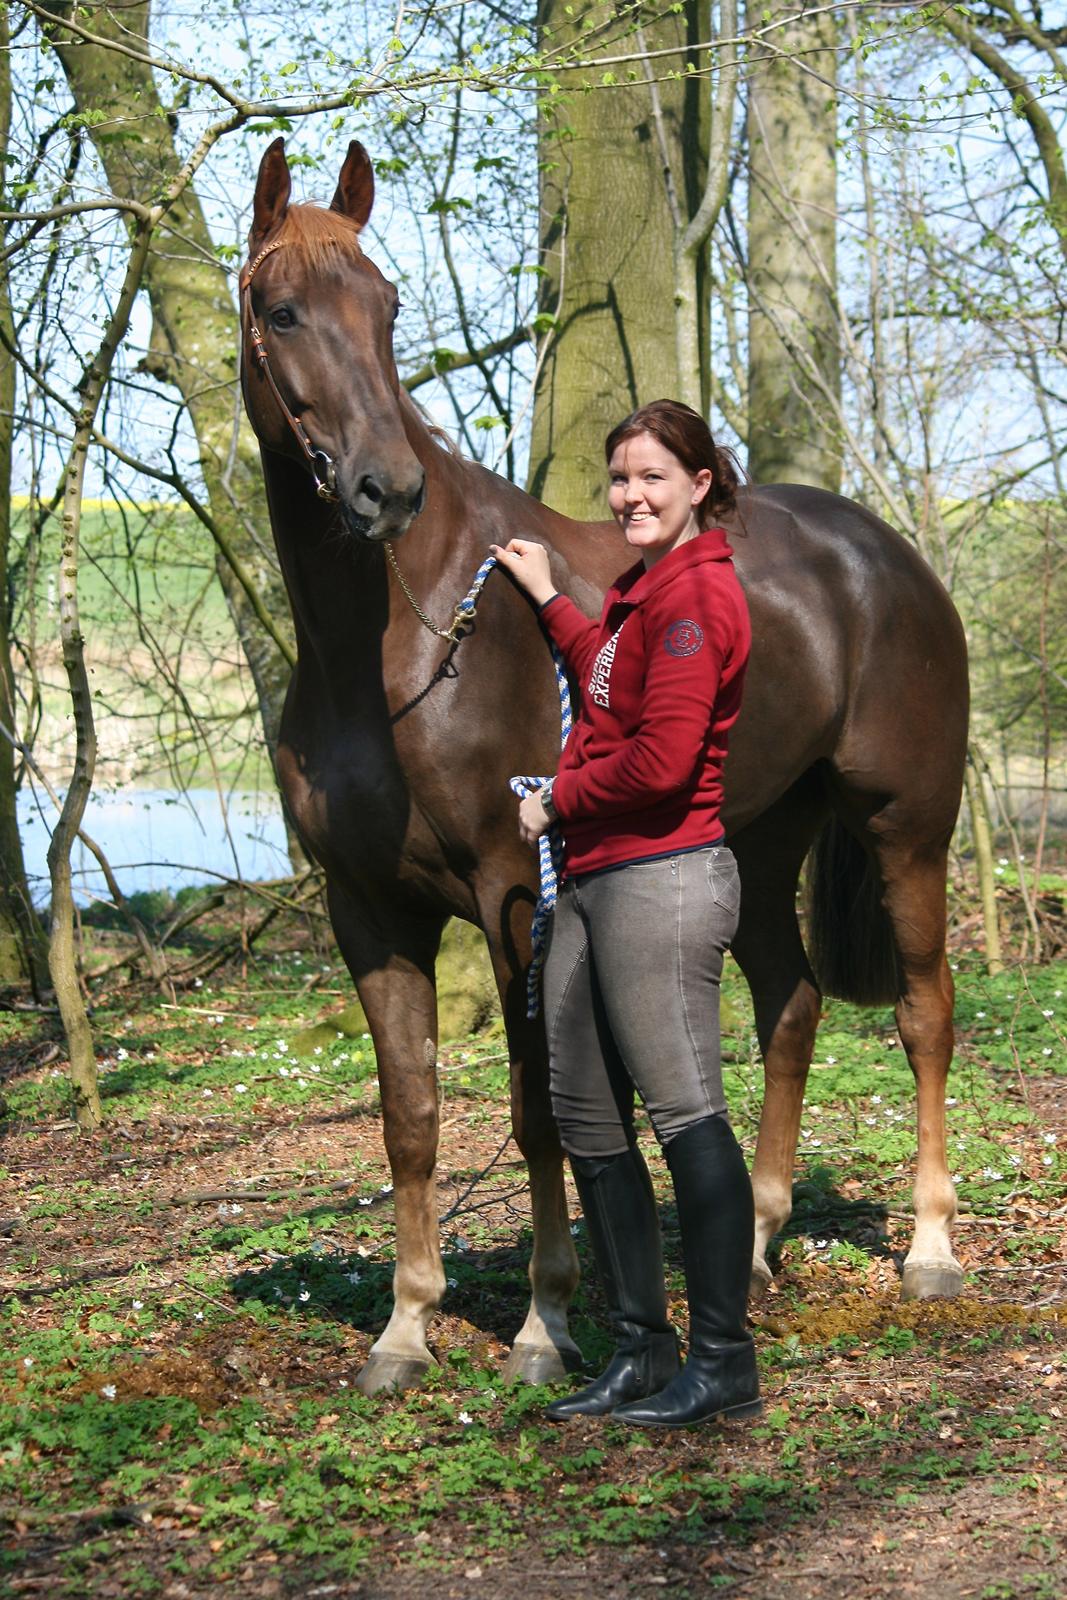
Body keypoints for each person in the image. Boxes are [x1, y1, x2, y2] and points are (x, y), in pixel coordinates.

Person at [490, 399, 759, 1430]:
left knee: (685, 1111)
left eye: (652, 476)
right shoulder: (643, 591)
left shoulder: (693, 603)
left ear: (699, 483)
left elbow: (661, 761)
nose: (630, 495)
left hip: (660, 879)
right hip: (597, 879)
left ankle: (722, 1358)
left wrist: (554, 800)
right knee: (589, 1116)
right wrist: (552, 596)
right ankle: (642, 1348)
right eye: (618, 479)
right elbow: (606, 680)